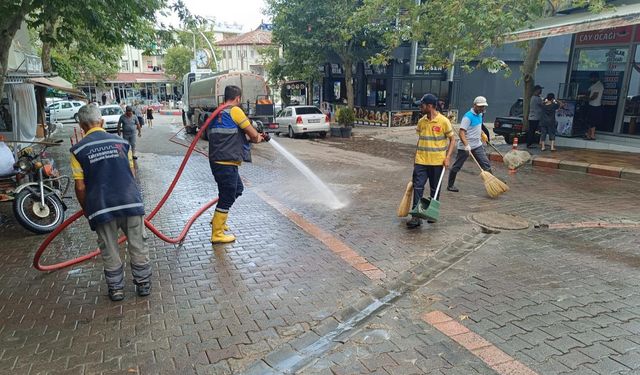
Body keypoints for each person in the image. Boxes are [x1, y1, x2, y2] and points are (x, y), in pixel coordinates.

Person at [70, 105, 150, 301]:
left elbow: (80, 187)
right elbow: (131, 174)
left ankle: (116, 289)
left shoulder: (78, 150)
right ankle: (144, 285)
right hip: (130, 202)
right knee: (138, 244)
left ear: (82, 126)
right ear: (102, 122)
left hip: (101, 206)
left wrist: (88, 210)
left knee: (109, 247)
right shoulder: (122, 143)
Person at [209, 85, 264, 243]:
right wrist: (259, 138)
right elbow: (253, 135)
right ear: (238, 98)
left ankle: (218, 220)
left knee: (236, 189)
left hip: (219, 161)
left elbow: (231, 135)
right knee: (227, 196)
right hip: (226, 162)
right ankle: (217, 233)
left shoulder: (218, 111)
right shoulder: (235, 110)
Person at [407, 93, 456, 229]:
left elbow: (452, 140)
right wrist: (416, 159)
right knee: (418, 188)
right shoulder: (421, 121)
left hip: (437, 162)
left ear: (430, 106)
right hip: (421, 161)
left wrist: (448, 157)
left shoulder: (444, 121)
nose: (420, 107)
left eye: (422, 105)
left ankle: (431, 213)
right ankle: (416, 217)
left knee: (435, 189)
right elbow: (420, 140)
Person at [447, 96, 492, 193]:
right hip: (465, 147)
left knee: (486, 165)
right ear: (474, 105)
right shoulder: (467, 117)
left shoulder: (480, 115)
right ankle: (450, 185)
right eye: (480, 106)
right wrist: (466, 145)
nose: (482, 108)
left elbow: (477, 127)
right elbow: (461, 132)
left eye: (483, 106)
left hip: (477, 145)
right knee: (457, 166)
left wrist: (482, 134)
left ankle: (492, 184)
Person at [585, 72, 604, 140]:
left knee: (591, 121)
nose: (590, 79)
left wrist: (586, 99)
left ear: (595, 78)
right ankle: (591, 135)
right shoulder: (594, 85)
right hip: (593, 105)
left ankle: (590, 135)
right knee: (591, 121)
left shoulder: (598, 85)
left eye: (592, 78)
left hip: (594, 105)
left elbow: (594, 96)